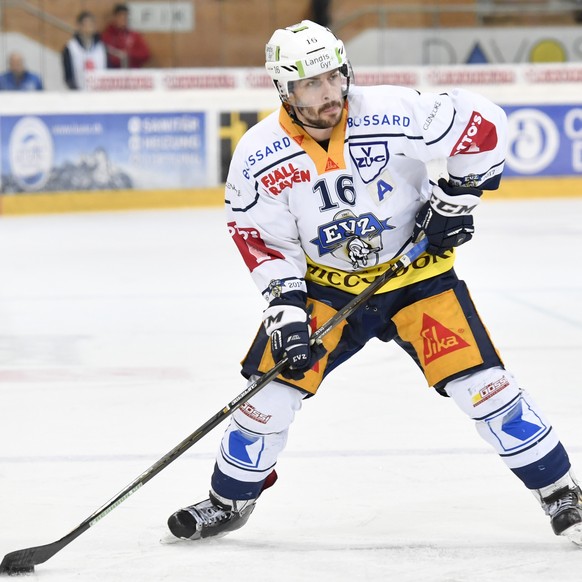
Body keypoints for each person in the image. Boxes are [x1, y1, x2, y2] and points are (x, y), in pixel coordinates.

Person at [167, 20, 582, 545]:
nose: (328, 94)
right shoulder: (257, 154)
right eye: (309, 84)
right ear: (283, 89)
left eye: (333, 77)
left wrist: (457, 198)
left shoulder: (391, 110)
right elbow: (261, 239)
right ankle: (229, 502)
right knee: (265, 399)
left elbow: (484, 125)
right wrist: (288, 312)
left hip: (417, 277)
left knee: (485, 389)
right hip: (325, 288)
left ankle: (561, 492)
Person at [62, 11, 107, 90]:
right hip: (79, 94)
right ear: (79, 26)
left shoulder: (102, 47)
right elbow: (68, 76)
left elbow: (108, 70)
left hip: (100, 93)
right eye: (86, 24)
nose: (89, 27)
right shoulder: (70, 48)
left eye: (91, 24)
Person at [101, 3, 150, 69]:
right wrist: (120, 56)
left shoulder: (134, 35)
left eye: (125, 17)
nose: (123, 20)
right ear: (114, 17)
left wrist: (128, 54)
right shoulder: (107, 35)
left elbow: (145, 54)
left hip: (132, 73)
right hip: (112, 74)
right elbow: (104, 56)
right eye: (120, 17)